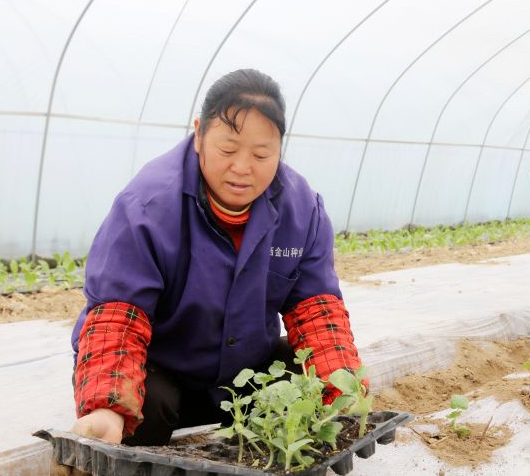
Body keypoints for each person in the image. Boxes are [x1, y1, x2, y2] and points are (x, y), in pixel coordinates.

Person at [69, 69, 364, 445]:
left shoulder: (301, 209)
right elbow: (118, 314)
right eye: (228, 150)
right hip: (163, 369)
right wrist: (107, 408)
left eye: (261, 154)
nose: (243, 168)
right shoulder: (148, 207)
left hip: (244, 374)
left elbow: (316, 308)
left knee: (307, 386)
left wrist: (344, 391)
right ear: (199, 135)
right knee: (144, 412)